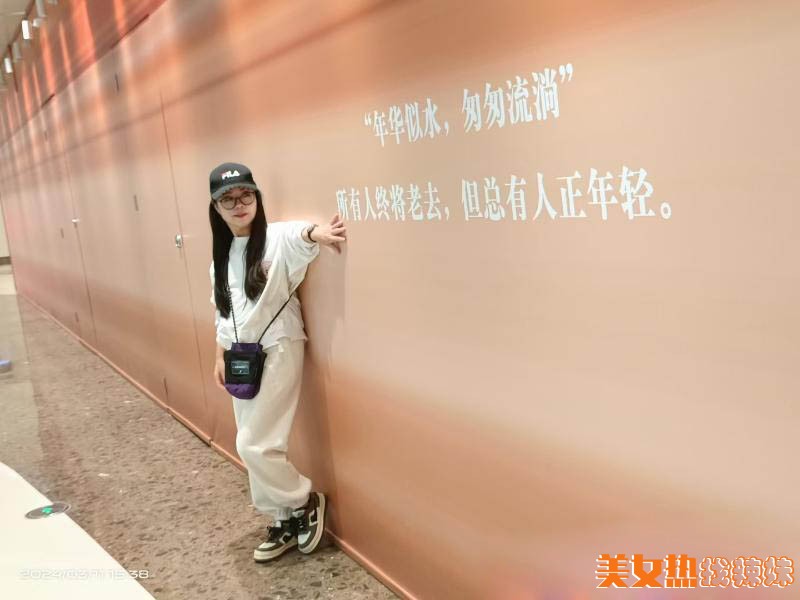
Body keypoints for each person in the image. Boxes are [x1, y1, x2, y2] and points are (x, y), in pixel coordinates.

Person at [207, 161, 346, 562]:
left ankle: (304, 501)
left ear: (257, 197)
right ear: (216, 208)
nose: (239, 204)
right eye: (228, 199)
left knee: (253, 444)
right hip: (240, 358)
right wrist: (219, 355)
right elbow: (222, 313)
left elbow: (302, 233)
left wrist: (318, 233)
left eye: (246, 195)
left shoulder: (275, 237)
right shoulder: (220, 259)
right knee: (253, 440)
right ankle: (282, 517)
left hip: (280, 346)